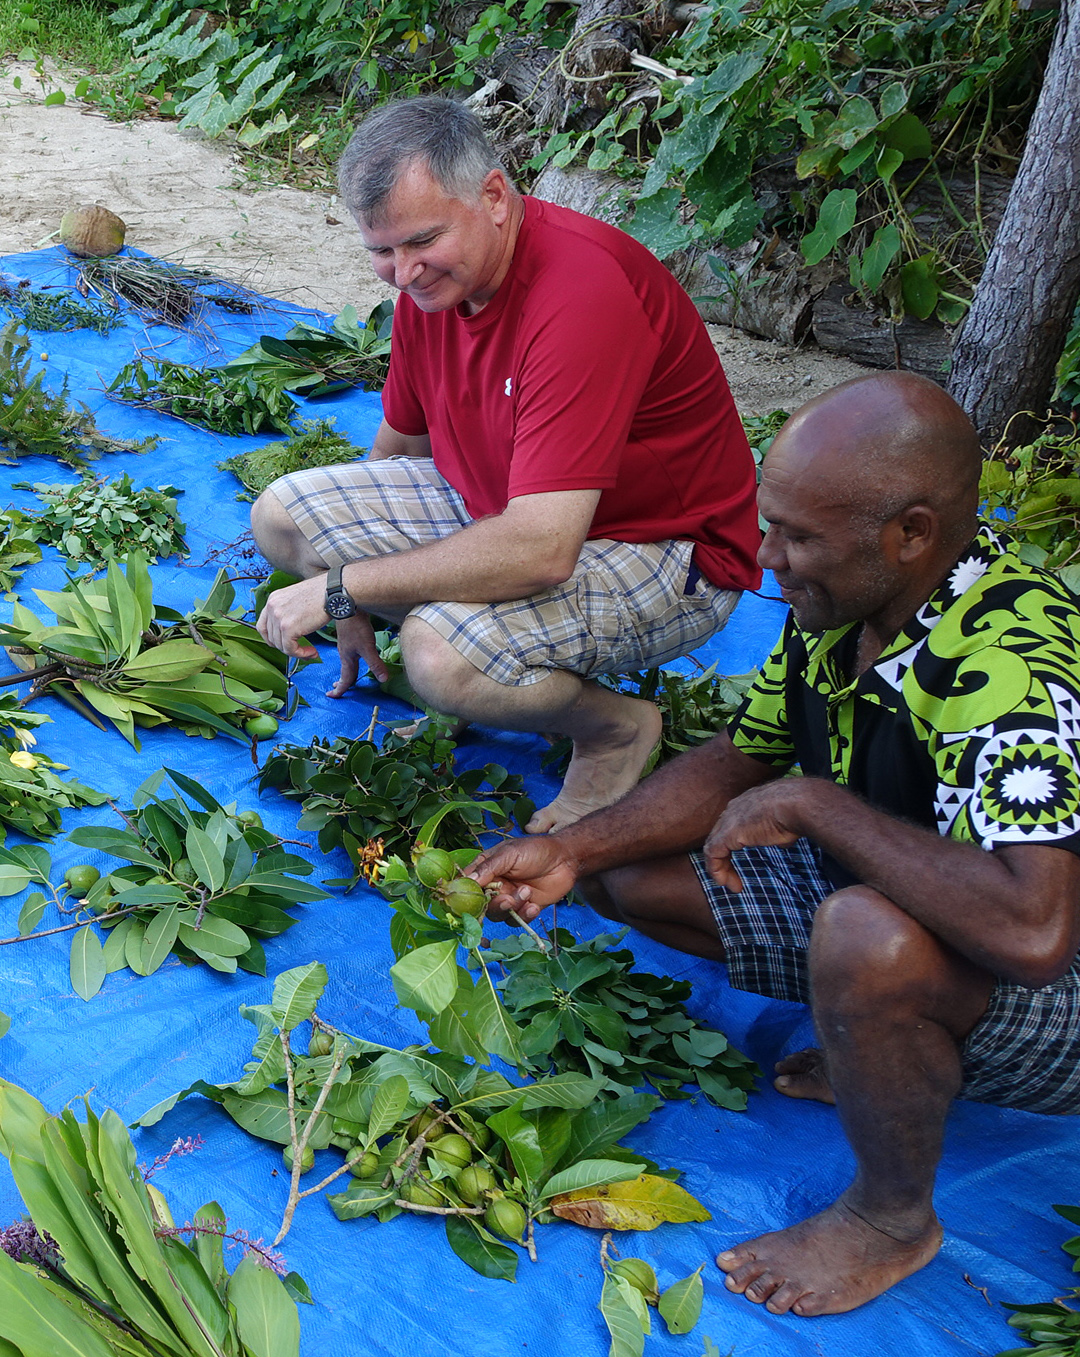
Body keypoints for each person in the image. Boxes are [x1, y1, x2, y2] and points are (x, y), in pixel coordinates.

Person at [468, 372, 1080, 1318]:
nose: (768, 559)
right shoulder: (849, 609)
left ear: (910, 533)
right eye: (768, 526)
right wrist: (580, 848)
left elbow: (1034, 933)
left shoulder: (1017, 672)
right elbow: (746, 755)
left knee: (868, 940)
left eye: (799, 537)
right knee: (623, 870)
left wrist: (819, 806)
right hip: (910, 887)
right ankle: (882, 1041)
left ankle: (893, 1217)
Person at [252, 96, 761, 831]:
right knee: (286, 517)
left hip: (665, 552)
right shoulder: (432, 289)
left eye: (421, 241)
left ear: (493, 196)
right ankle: (490, 674)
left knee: (437, 656)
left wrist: (340, 589)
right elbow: (399, 452)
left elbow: (543, 550)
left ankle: (613, 727)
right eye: (381, 250)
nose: (401, 274)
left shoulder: (579, 293)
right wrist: (349, 592)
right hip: (516, 515)